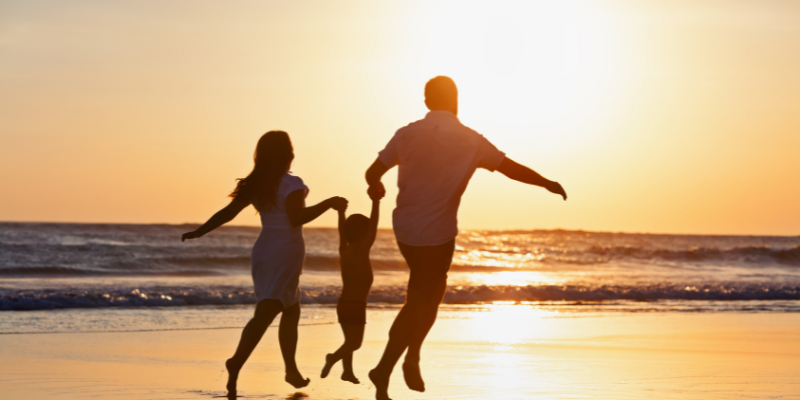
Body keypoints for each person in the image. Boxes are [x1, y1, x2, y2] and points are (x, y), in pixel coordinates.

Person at [365, 76, 567, 400]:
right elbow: (510, 168)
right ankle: (387, 368)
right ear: (456, 101)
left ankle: (410, 356)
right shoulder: (471, 141)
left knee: (428, 293)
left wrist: (375, 186)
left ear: (427, 101)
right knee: (420, 300)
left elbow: (373, 172)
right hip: (438, 235)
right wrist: (546, 182)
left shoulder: (406, 134)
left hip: (404, 229)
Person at [180, 131, 348, 397]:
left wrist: (200, 231)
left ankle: (290, 369)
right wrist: (329, 203)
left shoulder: (259, 183)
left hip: (265, 249)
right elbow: (296, 218)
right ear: (288, 154)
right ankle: (237, 361)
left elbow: (228, 213)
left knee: (291, 308)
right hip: (284, 251)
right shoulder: (292, 183)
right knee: (267, 312)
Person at [320, 188, 382, 384]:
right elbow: (374, 227)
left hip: (343, 304)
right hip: (355, 305)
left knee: (349, 342)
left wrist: (340, 213)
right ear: (365, 234)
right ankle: (332, 358)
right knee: (355, 343)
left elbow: (341, 230)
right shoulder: (363, 250)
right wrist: (376, 202)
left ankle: (347, 372)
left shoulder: (343, 250)